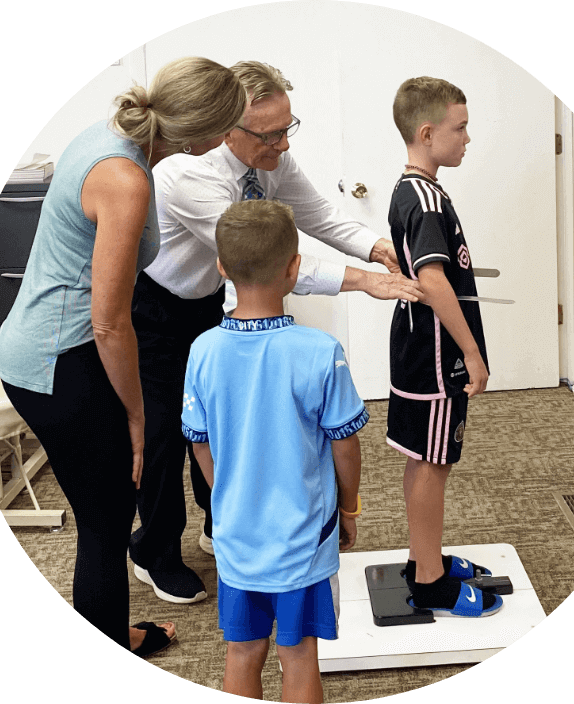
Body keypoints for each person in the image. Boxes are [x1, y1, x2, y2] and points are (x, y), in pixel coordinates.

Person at [128, 60, 420, 604]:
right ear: (226, 131)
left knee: (221, 421)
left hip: (206, 300)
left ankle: (218, 526)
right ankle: (154, 552)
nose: (283, 144)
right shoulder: (187, 174)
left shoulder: (268, 155)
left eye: (289, 128)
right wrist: (365, 283)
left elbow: (317, 216)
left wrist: (375, 247)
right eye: (270, 134)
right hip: (156, 310)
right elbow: (262, 260)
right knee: (171, 431)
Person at [0, 57, 247, 654]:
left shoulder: (114, 134)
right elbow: (110, 322)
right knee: (106, 523)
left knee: (105, 509)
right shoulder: (126, 179)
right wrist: (136, 415)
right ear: (203, 135)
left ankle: (111, 627)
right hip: (58, 358)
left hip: (49, 344)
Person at [181, 198, 366, 702]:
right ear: (294, 268)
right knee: (299, 653)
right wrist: (348, 508)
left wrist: (227, 496)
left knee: (241, 652)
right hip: (303, 538)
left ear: (221, 268)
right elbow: (345, 446)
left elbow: (198, 443)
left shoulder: (201, 351)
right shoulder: (320, 351)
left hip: (237, 538)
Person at [386, 77, 503, 617]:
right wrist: (472, 353)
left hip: (420, 345)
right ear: (427, 133)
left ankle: (423, 557)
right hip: (434, 353)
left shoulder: (415, 190)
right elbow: (433, 282)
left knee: (427, 456)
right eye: (460, 128)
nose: (467, 139)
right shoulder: (427, 199)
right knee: (433, 460)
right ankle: (429, 579)